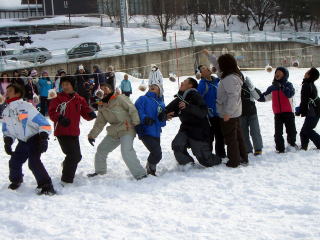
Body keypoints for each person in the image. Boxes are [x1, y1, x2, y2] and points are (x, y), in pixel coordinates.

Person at [2, 84, 55, 195]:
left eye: (10, 91)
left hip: (35, 139)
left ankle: (46, 185)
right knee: (14, 162)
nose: (6, 93)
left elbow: (43, 123)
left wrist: (44, 137)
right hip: (23, 141)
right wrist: (8, 141)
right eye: (6, 91)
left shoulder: (26, 107)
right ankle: (16, 180)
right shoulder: (6, 112)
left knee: (34, 163)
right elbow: (7, 130)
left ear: (18, 93)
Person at [87, 83, 147, 180]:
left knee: (126, 151)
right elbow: (99, 123)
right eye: (101, 90)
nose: (104, 91)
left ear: (110, 90)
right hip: (114, 131)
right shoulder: (102, 106)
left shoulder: (119, 98)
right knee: (101, 149)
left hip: (127, 129)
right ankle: (100, 172)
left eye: (105, 88)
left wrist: (137, 123)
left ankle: (141, 174)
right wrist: (92, 135)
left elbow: (132, 109)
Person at [48, 76, 97, 185]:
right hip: (62, 131)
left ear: (73, 85)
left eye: (67, 84)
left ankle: (66, 165)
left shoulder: (79, 99)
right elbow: (52, 112)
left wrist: (91, 114)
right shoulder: (58, 98)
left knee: (76, 156)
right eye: (63, 84)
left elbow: (85, 112)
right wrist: (60, 118)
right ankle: (66, 180)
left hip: (74, 131)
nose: (65, 87)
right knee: (73, 156)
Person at [205, 50, 248, 168]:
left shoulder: (229, 79)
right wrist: (209, 55)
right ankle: (243, 158)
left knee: (230, 139)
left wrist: (227, 113)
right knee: (237, 136)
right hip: (234, 112)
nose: (218, 67)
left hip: (229, 113)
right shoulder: (231, 74)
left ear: (225, 66)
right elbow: (218, 65)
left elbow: (233, 97)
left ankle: (234, 161)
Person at [166, 77, 221, 168]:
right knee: (177, 145)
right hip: (186, 128)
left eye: (184, 82)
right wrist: (165, 115)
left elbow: (203, 112)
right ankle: (187, 164)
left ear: (190, 85)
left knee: (205, 160)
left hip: (199, 130)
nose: (182, 83)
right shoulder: (180, 98)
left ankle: (218, 160)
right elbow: (168, 109)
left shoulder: (195, 95)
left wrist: (188, 106)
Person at [258, 67, 297, 153]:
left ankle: (292, 144)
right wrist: (255, 92)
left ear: (285, 75)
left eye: (279, 72)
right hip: (278, 113)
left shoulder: (288, 85)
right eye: (276, 72)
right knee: (278, 132)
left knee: (291, 130)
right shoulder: (272, 87)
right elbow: (263, 97)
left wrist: (282, 87)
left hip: (288, 112)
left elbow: (290, 94)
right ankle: (280, 148)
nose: (277, 74)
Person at [135, 84, 166, 176]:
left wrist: (162, 118)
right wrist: (144, 118)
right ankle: (150, 169)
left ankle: (150, 167)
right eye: (151, 86)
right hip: (144, 130)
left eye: (156, 86)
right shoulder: (142, 99)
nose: (153, 86)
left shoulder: (161, 103)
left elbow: (162, 124)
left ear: (159, 91)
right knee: (157, 153)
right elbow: (137, 110)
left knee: (157, 153)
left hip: (156, 132)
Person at [197, 64, 226, 158]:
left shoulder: (217, 80)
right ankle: (208, 156)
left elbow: (224, 76)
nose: (207, 69)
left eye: (206, 67)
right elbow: (198, 100)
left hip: (220, 113)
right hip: (209, 116)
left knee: (220, 135)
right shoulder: (202, 85)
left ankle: (221, 155)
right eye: (203, 69)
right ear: (201, 74)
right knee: (210, 137)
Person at [295, 67, 320, 150]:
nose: (305, 73)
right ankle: (304, 147)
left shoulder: (306, 85)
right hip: (315, 110)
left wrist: (299, 111)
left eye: (307, 72)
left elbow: (304, 101)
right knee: (304, 131)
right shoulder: (310, 84)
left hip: (313, 111)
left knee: (307, 130)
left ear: (309, 75)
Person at [240, 73, 264, 156]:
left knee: (255, 131)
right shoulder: (233, 88)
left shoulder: (248, 86)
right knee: (243, 132)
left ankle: (258, 148)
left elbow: (258, 97)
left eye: (241, 78)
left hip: (252, 113)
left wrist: (251, 87)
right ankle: (247, 149)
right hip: (240, 113)